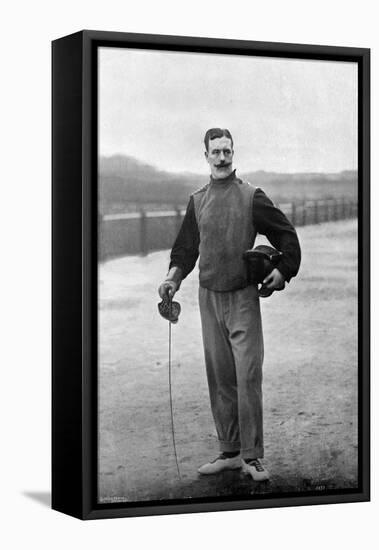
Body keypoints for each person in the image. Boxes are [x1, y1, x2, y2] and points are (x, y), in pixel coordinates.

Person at [158, 128, 301, 481]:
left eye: (227, 151)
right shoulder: (198, 200)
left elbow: (286, 234)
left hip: (242, 298)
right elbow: (185, 250)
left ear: (233, 153)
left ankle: (252, 458)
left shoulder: (252, 196)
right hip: (209, 298)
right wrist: (172, 280)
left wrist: (284, 270)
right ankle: (229, 451)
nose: (222, 158)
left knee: (247, 375)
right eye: (215, 152)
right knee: (221, 378)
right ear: (205, 155)